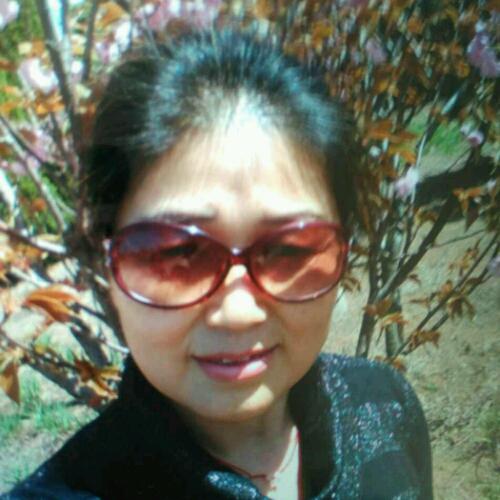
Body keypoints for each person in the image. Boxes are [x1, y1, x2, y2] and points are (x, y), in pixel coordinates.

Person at [4, 28, 433, 500]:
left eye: (289, 249)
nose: (238, 313)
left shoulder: (385, 406)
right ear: (107, 269)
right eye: (176, 253)